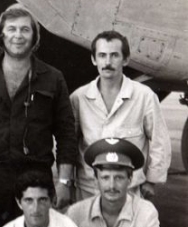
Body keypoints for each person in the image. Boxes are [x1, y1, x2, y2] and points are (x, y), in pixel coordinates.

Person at [0, 3, 77, 227]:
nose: (17, 36)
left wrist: (63, 181)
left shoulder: (52, 78)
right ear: (1, 35)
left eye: (24, 30)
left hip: (36, 177)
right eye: (11, 29)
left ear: (35, 37)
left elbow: (66, 133)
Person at [70, 30, 171, 201]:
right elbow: (69, 143)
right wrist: (68, 181)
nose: (107, 62)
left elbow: (159, 140)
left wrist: (152, 181)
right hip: (89, 189)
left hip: (129, 189)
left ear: (126, 59)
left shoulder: (144, 96)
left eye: (114, 55)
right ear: (94, 59)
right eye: (102, 55)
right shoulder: (79, 97)